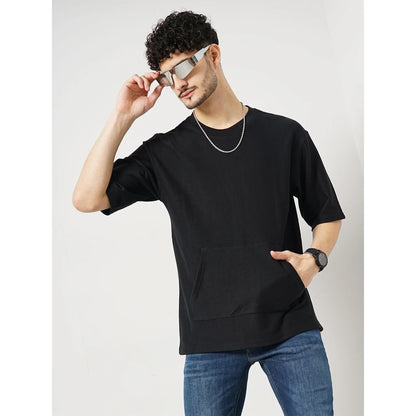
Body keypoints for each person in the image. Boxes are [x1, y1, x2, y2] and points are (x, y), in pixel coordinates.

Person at [72, 10, 345, 416]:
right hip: (209, 340)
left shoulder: (284, 135)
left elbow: (326, 213)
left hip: (290, 326)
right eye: (167, 76)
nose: (178, 82)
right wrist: (122, 116)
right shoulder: (165, 153)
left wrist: (314, 259)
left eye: (184, 66)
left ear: (213, 55)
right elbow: (86, 199)